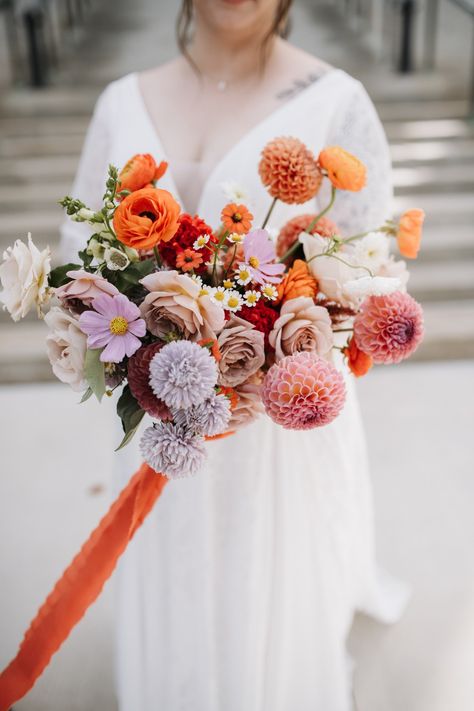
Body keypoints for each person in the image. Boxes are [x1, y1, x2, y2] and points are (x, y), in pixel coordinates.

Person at [61, 1, 408, 709]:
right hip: (157, 412)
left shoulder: (335, 102)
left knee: (267, 581)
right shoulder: (121, 102)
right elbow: (77, 263)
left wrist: (276, 352)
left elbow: (371, 270)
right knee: (172, 576)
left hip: (275, 430)